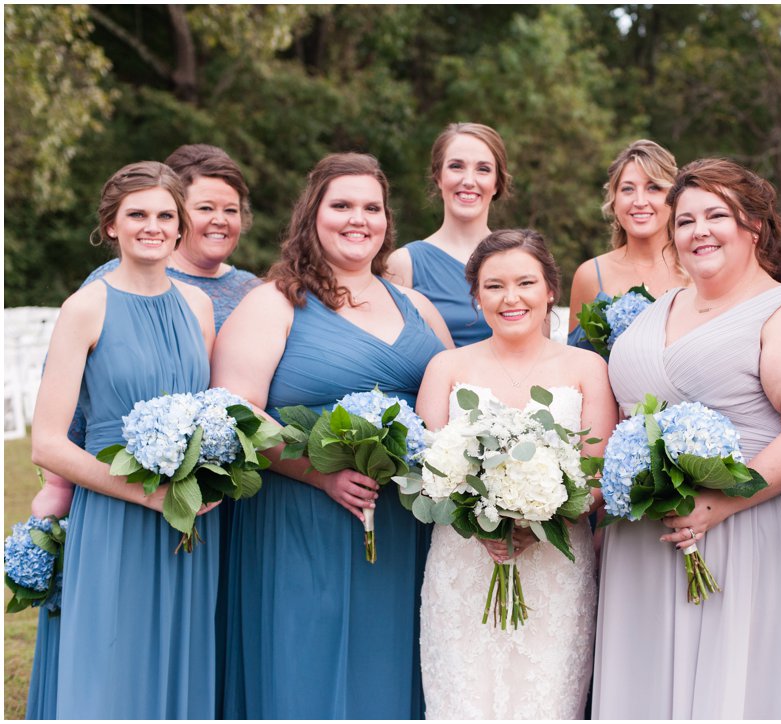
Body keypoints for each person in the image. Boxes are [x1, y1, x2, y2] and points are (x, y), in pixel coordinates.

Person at [593, 158, 781, 718]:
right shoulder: (656, 310)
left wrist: (721, 503)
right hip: (646, 542)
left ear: (754, 226)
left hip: (750, 529)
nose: (698, 231)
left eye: (717, 215)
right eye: (685, 221)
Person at [212, 153, 451, 719]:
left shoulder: (415, 305)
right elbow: (234, 408)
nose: (357, 219)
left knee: (394, 659)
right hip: (302, 513)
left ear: (387, 221)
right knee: (306, 661)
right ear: (311, 215)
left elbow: (459, 395)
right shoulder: (276, 302)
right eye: (341, 205)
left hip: (400, 521)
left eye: (371, 207)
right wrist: (318, 473)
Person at [26, 144, 261, 719]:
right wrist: (147, 494)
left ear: (180, 228)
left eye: (164, 216)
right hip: (116, 514)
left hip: (189, 521)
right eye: (137, 215)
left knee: (181, 668)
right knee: (112, 670)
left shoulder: (200, 309)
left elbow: (215, 411)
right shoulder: (85, 307)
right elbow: (47, 442)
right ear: (110, 225)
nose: (152, 227)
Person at [415, 229, 617, 719]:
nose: (511, 298)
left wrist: (535, 522)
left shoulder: (588, 368)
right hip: (463, 567)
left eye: (526, 283)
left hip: (555, 570)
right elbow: (425, 470)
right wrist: (475, 519)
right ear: (476, 296)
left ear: (550, 289)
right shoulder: (446, 367)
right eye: (494, 286)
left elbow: (596, 477)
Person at [384, 122, 512, 346]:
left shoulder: (523, 260)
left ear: (497, 183)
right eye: (456, 166)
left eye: (483, 169)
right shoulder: (404, 264)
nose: (469, 181)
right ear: (438, 177)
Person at [567, 139, 688, 348]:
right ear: (614, 201)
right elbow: (576, 363)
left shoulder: (697, 269)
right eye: (628, 189)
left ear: (673, 199)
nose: (640, 201)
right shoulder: (590, 274)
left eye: (653, 188)